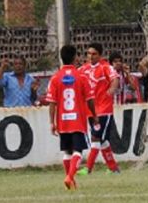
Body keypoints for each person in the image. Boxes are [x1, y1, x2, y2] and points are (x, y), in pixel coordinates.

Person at [46, 45, 99, 191]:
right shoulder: (81, 76)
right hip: (77, 121)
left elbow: (52, 103)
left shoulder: (55, 78)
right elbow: (90, 99)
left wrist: (52, 122)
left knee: (67, 152)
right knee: (78, 151)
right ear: (75, 57)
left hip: (63, 121)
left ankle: (71, 181)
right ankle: (69, 177)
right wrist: (94, 115)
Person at [77, 42, 121, 174]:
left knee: (96, 138)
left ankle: (88, 168)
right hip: (89, 111)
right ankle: (113, 168)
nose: (91, 56)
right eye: (89, 53)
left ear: (100, 55)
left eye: (94, 54)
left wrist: (112, 89)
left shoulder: (105, 67)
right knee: (102, 141)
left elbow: (115, 79)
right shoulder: (83, 69)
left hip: (103, 109)